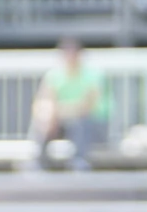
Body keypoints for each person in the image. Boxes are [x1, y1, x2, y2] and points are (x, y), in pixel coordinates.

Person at [30, 37, 110, 170]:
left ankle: (79, 160)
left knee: (81, 122)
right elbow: (42, 101)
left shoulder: (93, 75)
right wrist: (48, 117)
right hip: (63, 122)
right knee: (42, 120)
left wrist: (57, 113)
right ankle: (38, 161)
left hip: (94, 126)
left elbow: (86, 108)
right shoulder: (54, 75)